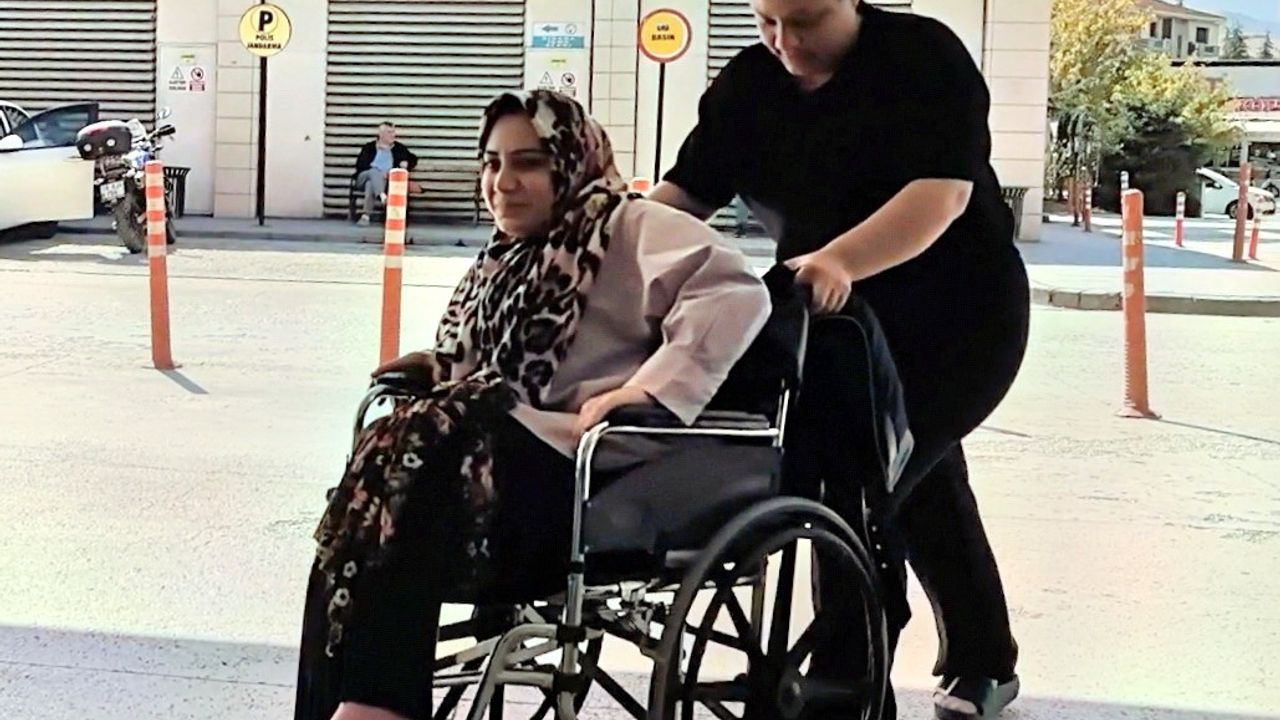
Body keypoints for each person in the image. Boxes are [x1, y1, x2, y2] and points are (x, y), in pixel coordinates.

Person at [294, 90, 770, 720]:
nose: (503, 183)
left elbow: (734, 295)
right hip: (500, 459)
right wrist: (439, 368)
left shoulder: (630, 225)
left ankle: (376, 708)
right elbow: (485, 368)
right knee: (359, 519)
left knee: (416, 471)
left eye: (528, 163)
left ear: (571, 160)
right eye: (492, 164)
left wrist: (651, 389)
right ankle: (339, 704)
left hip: (582, 474)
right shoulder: (506, 256)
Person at [649, 1, 1030, 718]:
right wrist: (609, 241)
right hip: (834, 325)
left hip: (958, 318)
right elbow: (687, 193)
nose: (786, 42)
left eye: (806, 21)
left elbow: (942, 194)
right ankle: (985, 657)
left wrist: (839, 260)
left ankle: (845, 683)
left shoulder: (922, 56)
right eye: (767, 21)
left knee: (856, 484)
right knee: (922, 483)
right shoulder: (749, 84)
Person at [353, 122, 419, 226]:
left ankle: (366, 216)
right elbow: (360, 165)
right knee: (374, 172)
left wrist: (406, 163)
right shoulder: (369, 147)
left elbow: (413, 158)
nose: (393, 135)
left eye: (393, 132)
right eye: (389, 132)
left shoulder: (398, 148)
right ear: (381, 134)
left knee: (370, 184)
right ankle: (382, 196)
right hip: (364, 177)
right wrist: (379, 173)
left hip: (385, 180)